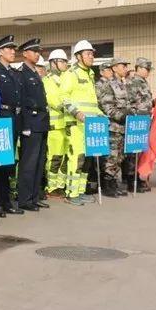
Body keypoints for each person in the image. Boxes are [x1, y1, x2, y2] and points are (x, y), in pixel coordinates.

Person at [60, 40, 103, 206]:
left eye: (92, 53)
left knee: (86, 160)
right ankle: (71, 193)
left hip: (90, 125)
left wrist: (101, 115)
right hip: (75, 125)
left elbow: (92, 103)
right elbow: (64, 98)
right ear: (78, 56)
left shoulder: (90, 74)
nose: (92, 56)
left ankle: (80, 190)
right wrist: (76, 113)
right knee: (76, 159)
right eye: (88, 53)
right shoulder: (72, 74)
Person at [16, 39, 50, 211]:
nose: (37, 54)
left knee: (39, 163)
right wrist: (25, 126)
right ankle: (25, 199)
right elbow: (22, 101)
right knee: (28, 163)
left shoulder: (35, 73)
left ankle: (35, 197)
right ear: (25, 54)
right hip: (31, 122)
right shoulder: (21, 73)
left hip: (42, 122)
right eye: (34, 51)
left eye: (38, 51)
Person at [0, 35, 23, 215]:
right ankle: (0, 201)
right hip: (2, 117)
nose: (13, 52)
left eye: (13, 48)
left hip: (14, 117)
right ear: (0, 51)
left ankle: (6, 199)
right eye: (9, 48)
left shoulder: (12, 72)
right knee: (1, 164)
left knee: (10, 162)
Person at [97, 58, 131, 197]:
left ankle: (114, 183)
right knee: (112, 157)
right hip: (113, 127)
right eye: (123, 65)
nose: (125, 68)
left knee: (120, 157)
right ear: (114, 67)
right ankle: (107, 185)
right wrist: (121, 116)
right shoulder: (109, 85)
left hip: (123, 127)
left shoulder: (123, 84)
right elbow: (106, 106)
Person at [43, 49, 70, 197]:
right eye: (62, 61)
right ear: (53, 63)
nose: (65, 64)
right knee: (55, 158)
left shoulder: (66, 79)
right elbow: (55, 101)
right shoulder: (47, 81)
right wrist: (71, 106)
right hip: (55, 127)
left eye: (65, 61)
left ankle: (61, 184)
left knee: (65, 158)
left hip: (67, 125)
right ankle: (52, 187)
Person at [126, 57, 154, 192]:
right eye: (147, 69)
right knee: (133, 153)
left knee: (139, 152)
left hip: (144, 122)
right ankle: (132, 182)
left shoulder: (144, 82)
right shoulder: (132, 83)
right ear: (140, 68)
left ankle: (136, 178)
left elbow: (146, 102)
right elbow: (129, 103)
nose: (149, 72)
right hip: (136, 122)